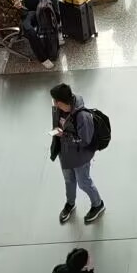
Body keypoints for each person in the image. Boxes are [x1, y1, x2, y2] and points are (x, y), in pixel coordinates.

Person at [50, 84, 105, 225]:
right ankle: (70, 203)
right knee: (69, 180)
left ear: (62, 101)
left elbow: (85, 140)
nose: (54, 103)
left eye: (55, 101)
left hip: (80, 157)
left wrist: (65, 135)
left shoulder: (83, 116)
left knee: (84, 182)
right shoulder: (58, 109)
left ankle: (98, 204)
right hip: (66, 154)